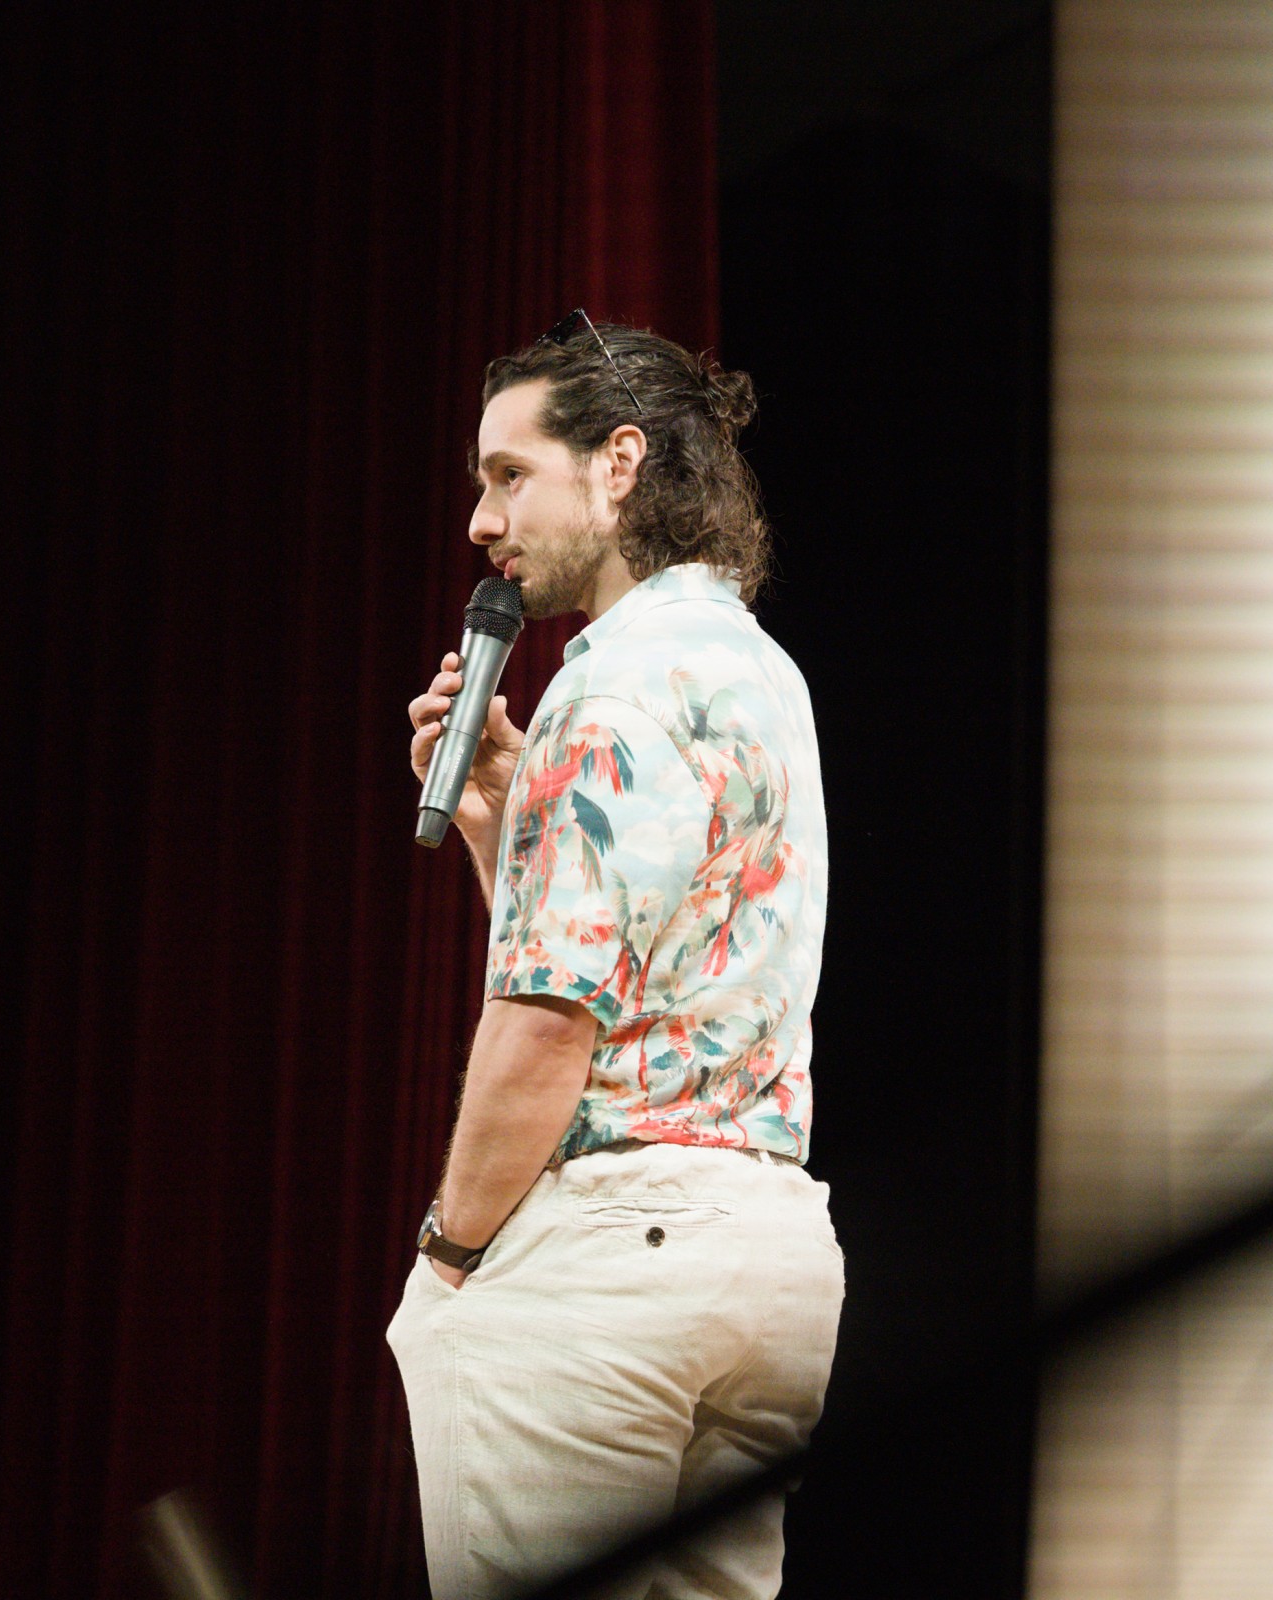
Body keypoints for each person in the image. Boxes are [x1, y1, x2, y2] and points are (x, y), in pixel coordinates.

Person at [388, 314, 842, 1600]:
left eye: (510, 473)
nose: (481, 519)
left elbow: (548, 1021)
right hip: (768, 1249)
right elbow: (646, 970)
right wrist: (503, 822)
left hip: (613, 1257)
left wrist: (451, 1254)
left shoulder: (608, 688)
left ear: (620, 463)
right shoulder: (760, 671)